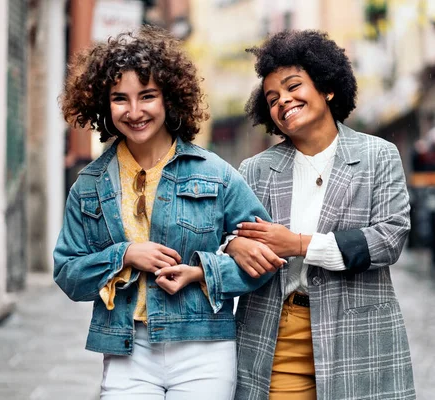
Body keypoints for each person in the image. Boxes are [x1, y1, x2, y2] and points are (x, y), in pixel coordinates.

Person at [54, 26, 282, 399]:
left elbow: (267, 257)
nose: (134, 111)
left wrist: (203, 271)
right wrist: (124, 256)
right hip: (127, 349)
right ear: (103, 105)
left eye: (147, 96)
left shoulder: (215, 173)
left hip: (204, 348)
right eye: (120, 99)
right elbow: (67, 272)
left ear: (168, 98)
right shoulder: (89, 184)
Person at [225, 30, 416, 399]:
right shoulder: (255, 169)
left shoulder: (379, 156)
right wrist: (233, 246)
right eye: (273, 98)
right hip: (277, 333)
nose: (284, 101)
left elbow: (389, 239)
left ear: (327, 88)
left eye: (294, 87)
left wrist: (297, 244)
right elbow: (227, 236)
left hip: (359, 333)